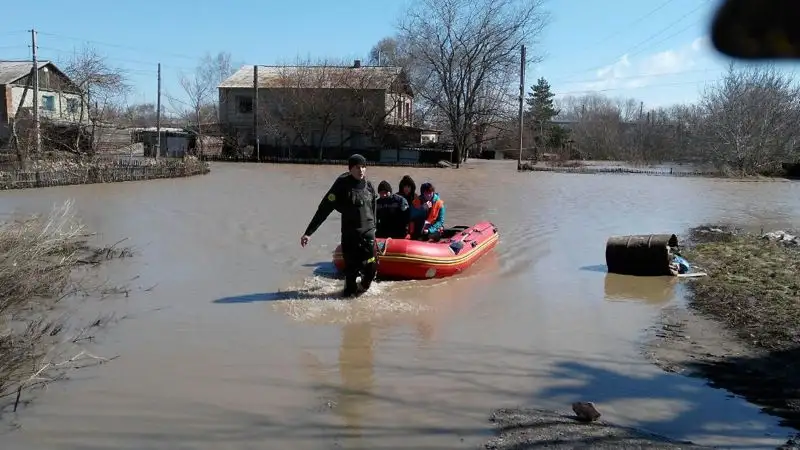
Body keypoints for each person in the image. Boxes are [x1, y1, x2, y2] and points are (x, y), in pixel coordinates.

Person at [300, 154, 378, 298]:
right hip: (350, 237)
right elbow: (324, 209)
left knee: (371, 267)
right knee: (350, 282)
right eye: (357, 167)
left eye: (363, 167)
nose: (361, 170)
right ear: (350, 169)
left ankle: (362, 288)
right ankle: (349, 297)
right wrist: (309, 232)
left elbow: (374, 210)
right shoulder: (342, 186)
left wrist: (375, 229)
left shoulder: (370, 187)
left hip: (368, 235)